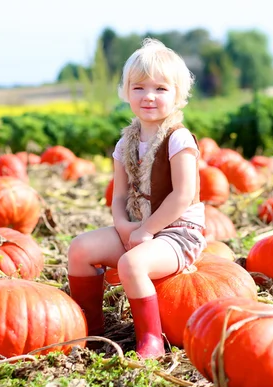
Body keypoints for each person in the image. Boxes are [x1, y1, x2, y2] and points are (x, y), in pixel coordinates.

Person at [66, 38, 207, 359]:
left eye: (160, 88)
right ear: (126, 91)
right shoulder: (125, 143)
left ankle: (151, 340)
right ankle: (91, 328)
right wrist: (122, 225)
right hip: (141, 227)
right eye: (139, 87)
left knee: (132, 264)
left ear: (178, 95)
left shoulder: (178, 138)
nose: (149, 96)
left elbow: (183, 196)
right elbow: (119, 196)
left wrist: (146, 230)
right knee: (80, 249)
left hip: (178, 232)